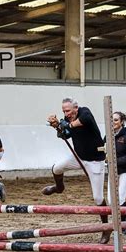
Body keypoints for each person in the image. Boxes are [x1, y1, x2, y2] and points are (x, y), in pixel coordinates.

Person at [44, 98, 107, 243]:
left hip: (94, 160)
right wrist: (57, 127)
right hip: (79, 156)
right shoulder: (66, 119)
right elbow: (65, 134)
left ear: (76, 108)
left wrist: (66, 124)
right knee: (57, 168)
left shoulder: (85, 112)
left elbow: (82, 121)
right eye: (64, 111)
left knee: (98, 198)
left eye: (68, 111)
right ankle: (59, 187)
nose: (66, 114)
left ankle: (106, 227)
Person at [103, 112, 126, 229]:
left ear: (122, 121)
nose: (113, 122)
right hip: (112, 171)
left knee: (120, 198)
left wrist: (116, 161)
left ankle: (121, 226)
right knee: (111, 199)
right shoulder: (107, 136)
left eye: (116, 120)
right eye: (112, 120)